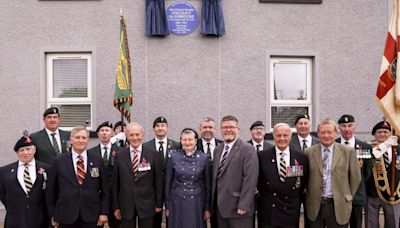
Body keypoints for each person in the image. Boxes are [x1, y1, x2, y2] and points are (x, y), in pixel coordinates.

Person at [46, 126, 109, 228]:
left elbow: (105, 189)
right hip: (65, 215)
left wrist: (104, 212)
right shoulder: (59, 161)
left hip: (91, 214)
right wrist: (52, 214)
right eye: (77, 137)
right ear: (71, 140)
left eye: (84, 138)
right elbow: (50, 190)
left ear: (88, 140)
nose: (81, 140)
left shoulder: (97, 160)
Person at [305, 118, 361, 228]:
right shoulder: (309, 152)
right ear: (318, 134)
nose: (326, 135)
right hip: (316, 205)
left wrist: (348, 196)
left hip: (339, 205)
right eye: (323, 132)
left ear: (335, 133)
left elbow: (355, 177)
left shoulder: (347, 151)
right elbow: (305, 177)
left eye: (329, 132)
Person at [258, 123, 308, 228]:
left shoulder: (301, 157)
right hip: (269, 210)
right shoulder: (262, 156)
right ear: (273, 136)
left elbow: (303, 182)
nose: (282, 138)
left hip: (290, 209)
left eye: (285, 135)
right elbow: (259, 182)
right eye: (278, 135)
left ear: (290, 136)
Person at [112, 123, 163, 228]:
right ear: (126, 136)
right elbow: (115, 183)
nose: (134, 138)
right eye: (131, 135)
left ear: (142, 135)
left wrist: (158, 203)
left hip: (147, 203)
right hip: (126, 204)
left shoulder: (153, 154)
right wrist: (116, 206)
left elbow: (158, 181)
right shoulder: (120, 155)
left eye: (137, 134)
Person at [212, 115, 259, 228]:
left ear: (238, 129)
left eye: (231, 127)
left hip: (238, 208)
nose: (228, 130)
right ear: (221, 130)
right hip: (220, 208)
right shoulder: (217, 150)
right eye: (224, 127)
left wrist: (244, 205)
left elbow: (250, 178)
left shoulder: (247, 149)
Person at [165, 128, 212, 228]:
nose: (187, 142)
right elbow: (168, 182)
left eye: (190, 139)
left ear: (195, 141)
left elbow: (208, 184)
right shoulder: (174, 157)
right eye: (184, 140)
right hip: (177, 201)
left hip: (197, 201)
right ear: (181, 141)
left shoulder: (204, 158)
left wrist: (207, 207)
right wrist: (168, 205)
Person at [0, 133, 49, 228]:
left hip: (40, 220)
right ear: (17, 153)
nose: (25, 152)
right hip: (15, 220)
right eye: (21, 150)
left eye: (28, 149)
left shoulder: (47, 169)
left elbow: (50, 193)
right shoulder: (4, 171)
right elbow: (3, 195)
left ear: (34, 150)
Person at [335, 114, 373, 228]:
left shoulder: (365, 147)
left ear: (355, 127)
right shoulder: (333, 144)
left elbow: (366, 172)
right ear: (339, 128)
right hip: (337, 195)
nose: (346, 129)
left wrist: (356, 184)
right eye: (343, 126)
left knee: (356, 224)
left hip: (356, 195)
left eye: (349, 125)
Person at [143, 116, 180, 228]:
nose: (160, 128)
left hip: (172, 186)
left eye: (163, 125)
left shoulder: (176, 145)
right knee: (155, 216)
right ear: (153, 129)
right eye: (157, 126)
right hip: (153, 187)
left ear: (167, 128)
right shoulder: (146, 146)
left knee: (172, 215)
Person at [365, 120, 400, 228]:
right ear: (374, 134)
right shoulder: (366, 147)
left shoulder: (398, 149)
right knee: (371, 224)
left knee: (393, 223)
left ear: (390, 134)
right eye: (379, 132)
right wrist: (386, 144)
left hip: (393, 194)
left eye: (385, 132)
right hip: (372, 193)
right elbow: (370, 156)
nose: (382, 134)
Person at [88, 121, 123, 228]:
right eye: (101, 131)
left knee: (116, 224)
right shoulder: (90, 152)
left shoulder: (121, 152)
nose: (104, 133)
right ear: (98, 134)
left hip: (115, 196)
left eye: (107, 130)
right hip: (97, 196)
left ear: (112, 133)